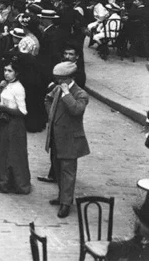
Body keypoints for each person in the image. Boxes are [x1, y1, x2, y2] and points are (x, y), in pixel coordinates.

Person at [44, 61, 90, 218]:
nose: (58, 82)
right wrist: (52, 116)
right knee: (57, 169)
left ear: (69, 78)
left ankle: (66, 203)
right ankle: (61, 196)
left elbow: (76, 110)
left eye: (60, 79)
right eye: (57, 79)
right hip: (56, 137)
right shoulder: (57, 89)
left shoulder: (80, 94)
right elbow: (47, 99)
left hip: (70, 140)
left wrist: (67, 94)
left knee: (68, 172)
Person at [0, 62, 31, 194]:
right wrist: (0, 89)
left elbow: (23, 111)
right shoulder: (6, 84)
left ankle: (9, 182)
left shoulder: (19, 88)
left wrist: (4, 109)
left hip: (14, 125)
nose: (6, 73)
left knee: (10, 153)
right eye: (5, 70)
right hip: (3, 122)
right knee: (0, 150)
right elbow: (1, 99)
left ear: (16, 73)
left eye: (10, 71)